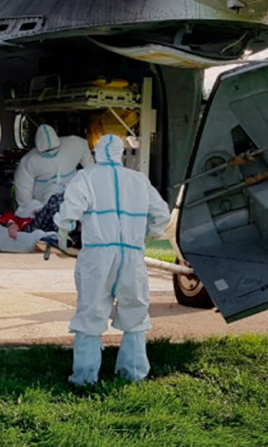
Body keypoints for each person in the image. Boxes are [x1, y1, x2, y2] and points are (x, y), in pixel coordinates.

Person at [54, 134, 170, 386]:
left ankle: (85, 378)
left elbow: (70, 209)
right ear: (120, 153)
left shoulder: (86, 177)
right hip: (132, 254)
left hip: (98, 254)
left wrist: (63, 232)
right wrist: (150, 234)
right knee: (135, 310)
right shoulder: (139, 180)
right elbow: (161, 213)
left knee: (91, 310)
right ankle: (134, 373)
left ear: (97, 153)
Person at [0, 124, 93, 253]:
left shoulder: (75, 145)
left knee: (68, 204)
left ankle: (70, 233)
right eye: (46, 151)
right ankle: (66, 234)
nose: (50, 153)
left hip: (67, 205)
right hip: (44, 209)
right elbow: (23, 201)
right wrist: (18, 220)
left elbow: (91, 170)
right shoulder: (28, 162)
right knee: (57, 201)